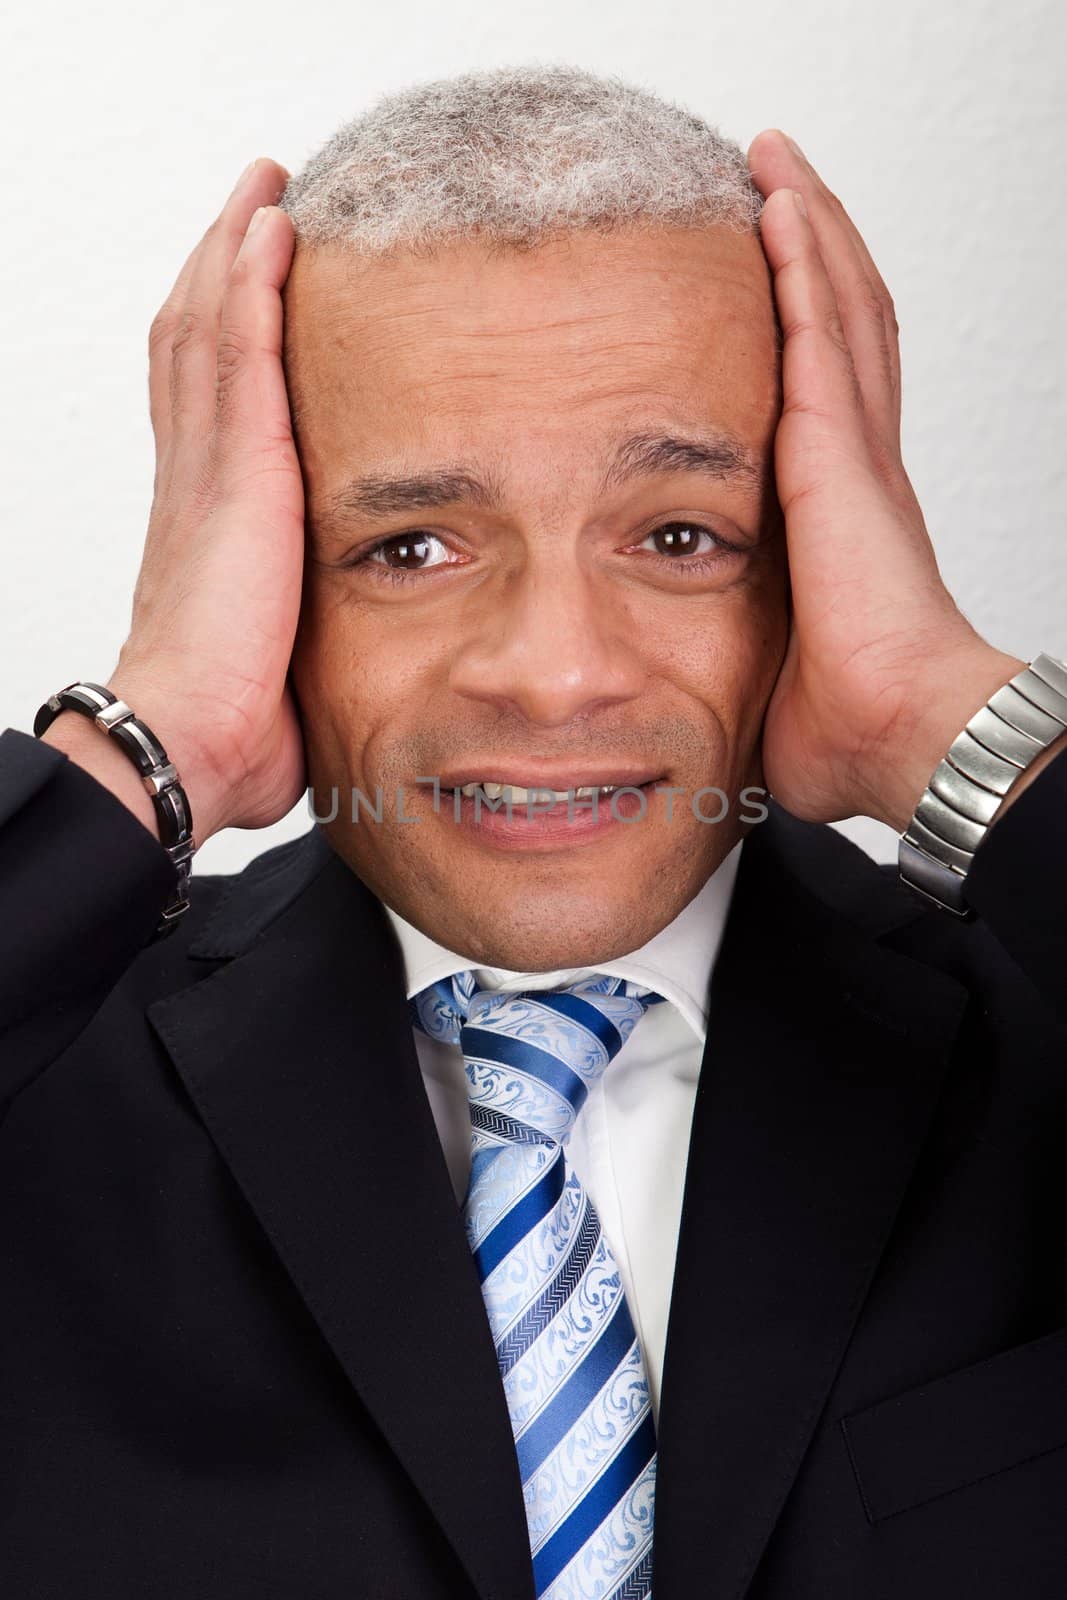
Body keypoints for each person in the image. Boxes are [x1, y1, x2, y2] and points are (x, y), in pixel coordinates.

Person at [1, 63, 1065, 1600]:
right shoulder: (47, 1089)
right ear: (273, 576)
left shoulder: (1031, 1040)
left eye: (683, 536)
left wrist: (935, 712)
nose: (556, 670)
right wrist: (155, 736)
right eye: (411, 546)